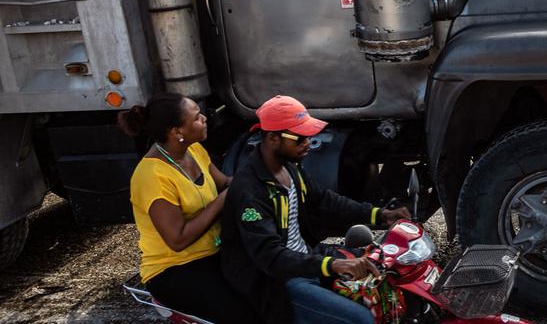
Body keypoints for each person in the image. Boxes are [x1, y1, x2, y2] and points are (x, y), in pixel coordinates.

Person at [222, 95, 411, 324]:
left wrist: (380, 215)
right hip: (278, 280)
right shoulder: (249, 190)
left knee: (384, 273)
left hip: (306, 257)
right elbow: (269, 256)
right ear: (272, 138)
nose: (307, 144)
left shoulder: (289, 168)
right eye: (299, 138)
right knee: (361, 319)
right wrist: (333, 265)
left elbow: (325, 200)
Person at [123, 94, 258, 324]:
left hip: (213, 254)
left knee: (269, 292)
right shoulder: (152, 176)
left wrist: (259, 175)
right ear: (177, 132)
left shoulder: (194, 151)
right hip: (175, 269)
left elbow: (225, 182)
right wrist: (222, 200)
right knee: (244, 314)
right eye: (196, 118)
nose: (205, 119)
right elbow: (177, 240)